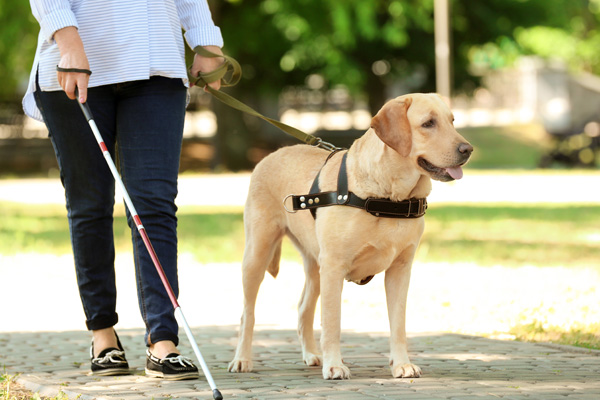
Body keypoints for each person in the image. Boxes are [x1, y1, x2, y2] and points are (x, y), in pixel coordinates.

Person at [23, 0, 224, 380]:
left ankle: (163, 340)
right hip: (75, 61)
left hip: (157, 64)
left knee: (153, 204)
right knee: (90, 204)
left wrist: (206, 42)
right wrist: (66, 39)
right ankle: (103, 336)